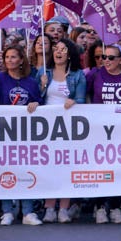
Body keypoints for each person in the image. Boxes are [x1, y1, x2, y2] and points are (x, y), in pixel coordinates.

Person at [0, 42, 43, 225]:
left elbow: (39, 103)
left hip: (24, 134)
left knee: (26, 171)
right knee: (6, 171)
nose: (10, 60)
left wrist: (36, 105)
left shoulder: (31, 82)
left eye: (13, 57)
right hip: (3, 132)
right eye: (7, 57)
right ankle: (7, 211)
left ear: (21, 60)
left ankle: (27, 212)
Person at [87, 42, 121, 223]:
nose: (106, 61)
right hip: (99, 130)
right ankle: (100, 206)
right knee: (100, 168)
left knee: (119, 168)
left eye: (110, 58)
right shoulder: (95, 75)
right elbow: (85, 98)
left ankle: (116, 206)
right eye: (103, 57)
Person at [40, 38, 86, 223]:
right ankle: (49, 208)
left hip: (68, 129)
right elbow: (36, 98)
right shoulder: (44, 73)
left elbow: (82, 99)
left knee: (66, 168)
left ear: (69, 54)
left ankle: (64, 209)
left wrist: (74, 101)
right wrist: (42, 85)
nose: (58, 52)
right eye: (56, 49)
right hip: (46, 129)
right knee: (49, 169)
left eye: (63, 49)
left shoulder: (77, 75)